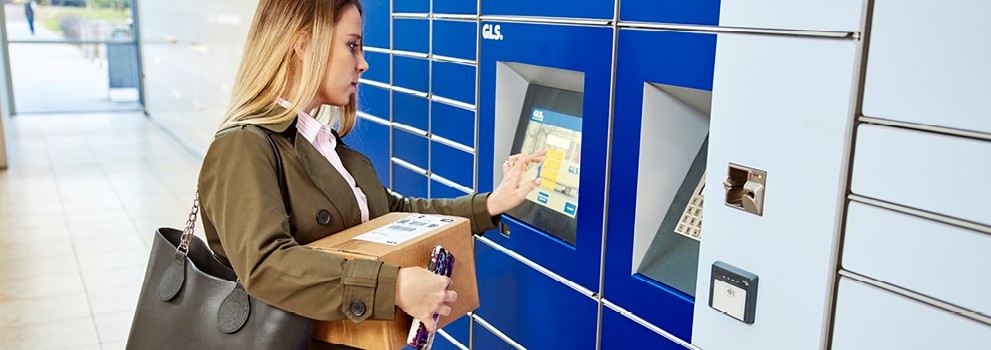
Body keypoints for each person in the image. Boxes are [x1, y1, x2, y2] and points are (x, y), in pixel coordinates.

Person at [197, 0, 545, 348]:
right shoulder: (242, 146)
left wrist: (489, 205)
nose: (363, 63)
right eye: (352, 45)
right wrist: (394, 286)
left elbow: (397, 214)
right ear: (304, 44)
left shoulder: (321, 143)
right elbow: (266, 265)